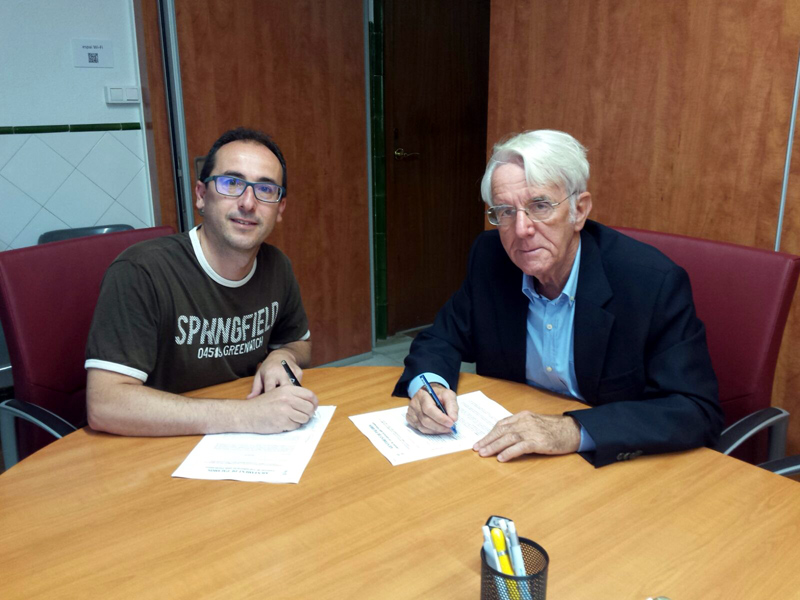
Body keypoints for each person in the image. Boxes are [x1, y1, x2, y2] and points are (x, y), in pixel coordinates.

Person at [394, 130, 723, 467]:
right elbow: (441, 339)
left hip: (614, 465)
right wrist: (428, 386)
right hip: (514, 460)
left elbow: (695, 410)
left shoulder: (650, 283)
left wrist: (573, 430)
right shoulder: (491, 257)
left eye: (539, 206)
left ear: (579, 211)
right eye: (505, 212)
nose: (521, 229)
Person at [85, 127, 318, 436]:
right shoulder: (142, 271)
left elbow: (298, 342)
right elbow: (105, 404)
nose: (248, 203)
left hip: (244, 443)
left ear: (280, 209)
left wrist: (280, 356)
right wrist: (244, 416)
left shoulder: (277, 266)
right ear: (201, 196)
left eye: (265, 190)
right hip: (153, 446)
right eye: (231, 183)